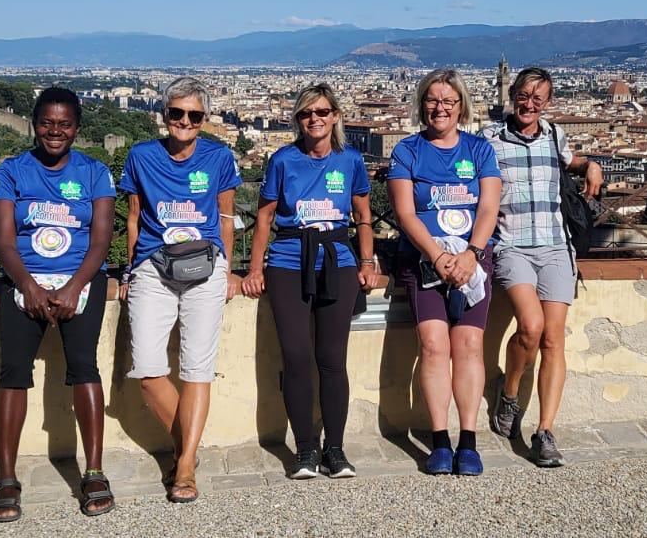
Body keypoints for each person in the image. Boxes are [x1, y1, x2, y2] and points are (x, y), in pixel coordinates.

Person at [0, 87, 117, 521]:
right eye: (47, 123)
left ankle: (94, 470)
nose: (54, 132)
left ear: (77, 128)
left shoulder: (96, 172)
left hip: (80, 280)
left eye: (64, 124)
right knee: (14, 373)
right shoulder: (11, 171)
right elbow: (4, 240)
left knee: (84, 366)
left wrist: (75, 286)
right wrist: (29, 285)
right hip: (25, 281)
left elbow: (101, 240)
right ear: (34, 123)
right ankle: (6, 477)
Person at [118, 76, 242, 504]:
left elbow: (227, 217)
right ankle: (184, 446)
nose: (185, 121)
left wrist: (227, 268)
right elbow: (134, 217)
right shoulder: (141, 156)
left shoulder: (219, 156)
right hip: (153, 265)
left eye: (194, 115)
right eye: (177, 113)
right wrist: (130, 270)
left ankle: (185, 466)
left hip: (206, 266)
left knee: (196, 369)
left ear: (204, 119)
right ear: (164, 115)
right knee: (149, 370)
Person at [242, 83, 374, 480]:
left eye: (320, 111)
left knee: (332, 361)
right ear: (297, 119)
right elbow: (264, 216)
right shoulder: (283, 160)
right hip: (287, 262)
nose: (313, 119)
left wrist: (367, 261)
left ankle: (335, 448)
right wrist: (254, 268)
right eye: (305, 113)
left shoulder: (351, 160)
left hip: (338, 259)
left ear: (334, 115)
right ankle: (305, 449)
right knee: (297, 358)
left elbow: (363, 215)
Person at [479, 67, 604, 468]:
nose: (530, 104)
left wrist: (591, 165)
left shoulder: (554, 135)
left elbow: (572, 161)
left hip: (556, 248)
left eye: (539, 98)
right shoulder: (488, 139)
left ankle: (545, 431)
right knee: (530, 328)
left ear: (548, 103)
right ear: (511, 94)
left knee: (553, 340)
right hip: (512, 246)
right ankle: (511, 394)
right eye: (524, 95)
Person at [387, 69, 502, 476]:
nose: (440, 107)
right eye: (433, 100)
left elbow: (488, 207)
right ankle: (439, 440)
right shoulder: (407, 150)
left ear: (461, 107)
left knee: (469, 345)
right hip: (423, 257)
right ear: (423, 105)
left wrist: (472, 254)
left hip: (472, 259)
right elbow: (404, 212)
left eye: (448, 101)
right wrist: (437, 256)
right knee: (433, 345)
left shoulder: (479, 149)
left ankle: (467, 441)